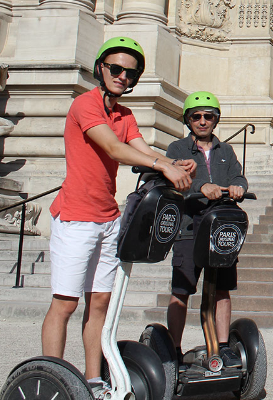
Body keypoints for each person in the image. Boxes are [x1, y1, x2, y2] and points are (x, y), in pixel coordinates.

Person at [41, 37, 195, 395]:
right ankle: (54, 381)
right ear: (101, 68)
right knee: (65, 303)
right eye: (116, 69)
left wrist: (176, 164)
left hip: (109, 219)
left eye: (130, 72)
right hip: (76, 217)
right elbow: (113, 148)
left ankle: (93, 380)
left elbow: (140, 148)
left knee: (100, 304)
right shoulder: (85, 104)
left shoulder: (124, 115)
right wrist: (162, 165)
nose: (122, 76)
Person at [165, 91, 247, 365]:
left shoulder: (226, 151)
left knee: (221, 289)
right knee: (182, 289)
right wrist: (201, 186)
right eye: (196, 116)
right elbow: (175, 179)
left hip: (221, 228)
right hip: (190, 226)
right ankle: (173, 349)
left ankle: (222, 345)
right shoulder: (176, 149)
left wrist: (239, 187)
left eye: (208, 116)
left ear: (216, 120)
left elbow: (238, 176)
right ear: (188, 120)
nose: (202, 121)